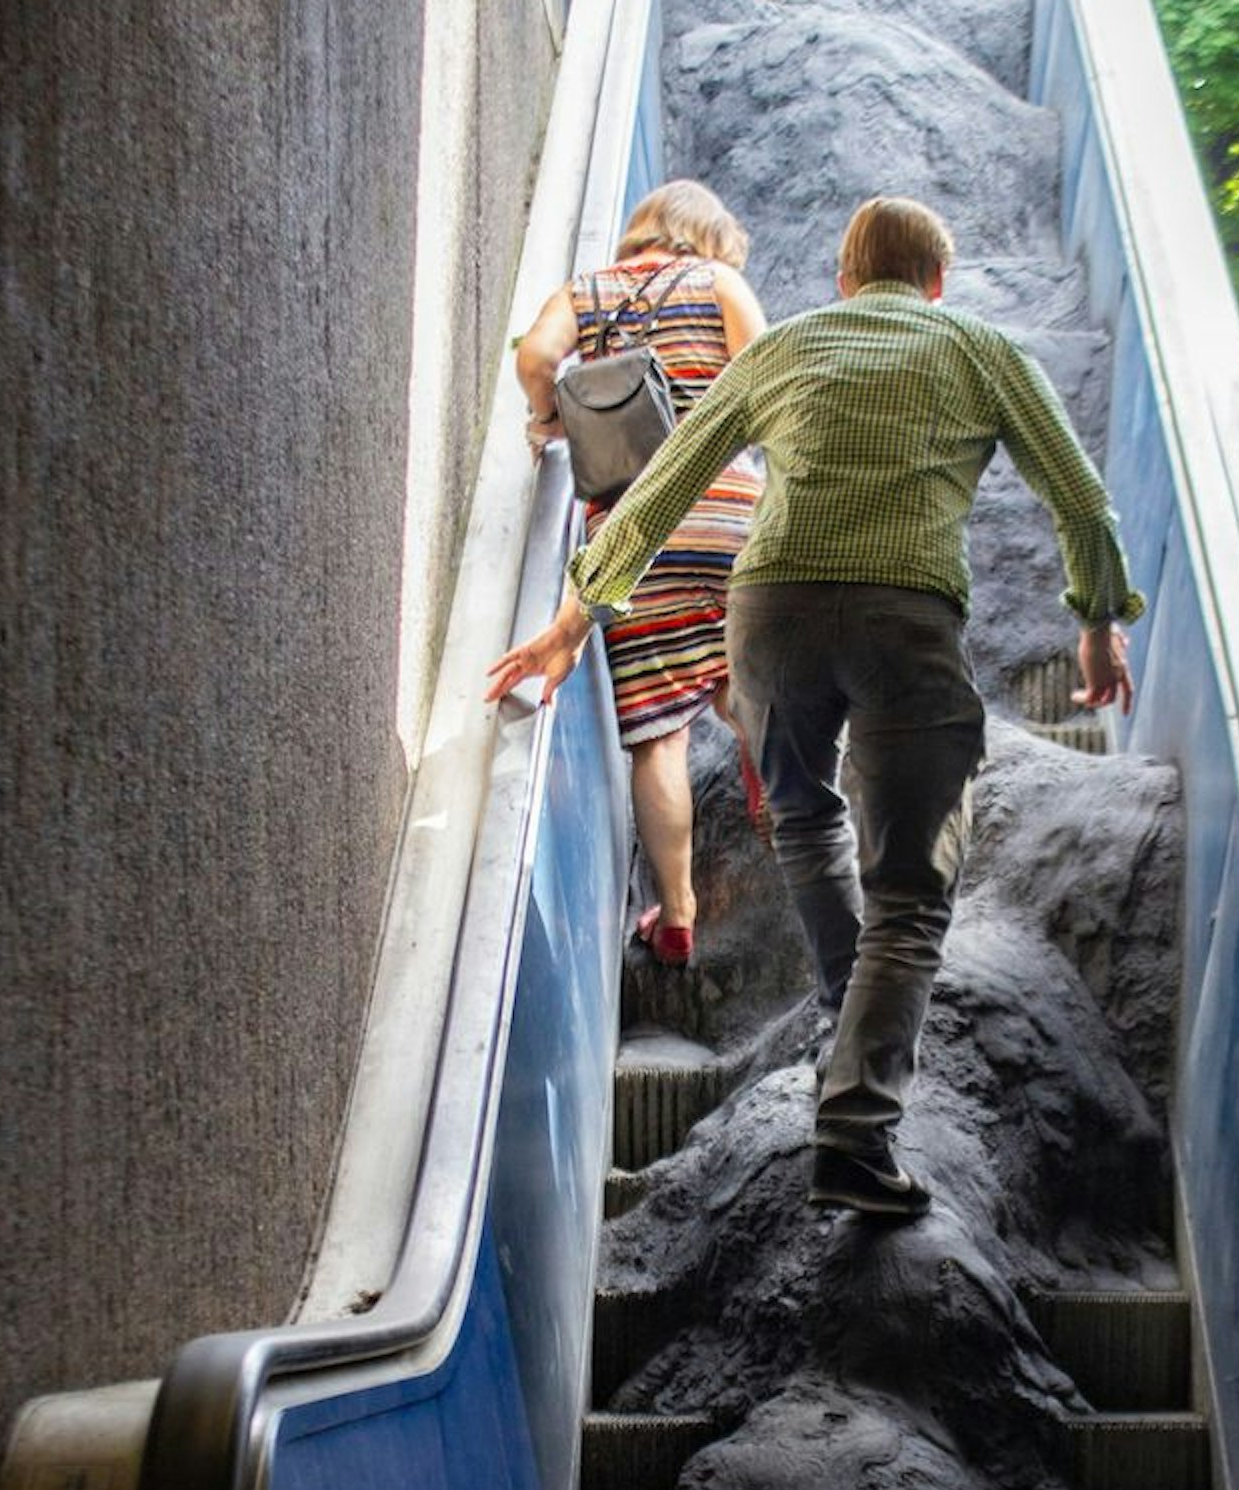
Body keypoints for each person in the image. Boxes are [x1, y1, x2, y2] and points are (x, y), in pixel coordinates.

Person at [487, 196, 1143, 1218]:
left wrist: (575, 621)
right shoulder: (976, 345)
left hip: (771, 615)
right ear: (936, 284)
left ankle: (847, 1007)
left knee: (801, 814)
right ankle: (855, 1128)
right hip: (901, 617)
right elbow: (1082, 500)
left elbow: (659, 482)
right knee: (912, 893)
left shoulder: (789, 345)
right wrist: (1098, 623)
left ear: (842, 280)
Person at [507, 179, 770, 966]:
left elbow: (536, 358)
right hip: (730, 509)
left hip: (633, 526)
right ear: (707, 237)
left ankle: (679, 915)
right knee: (737, 676)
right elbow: (769, 380)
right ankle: (764, 749)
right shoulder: (719, 282)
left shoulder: (584, 292)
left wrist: (549, 417)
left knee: (660, 738)